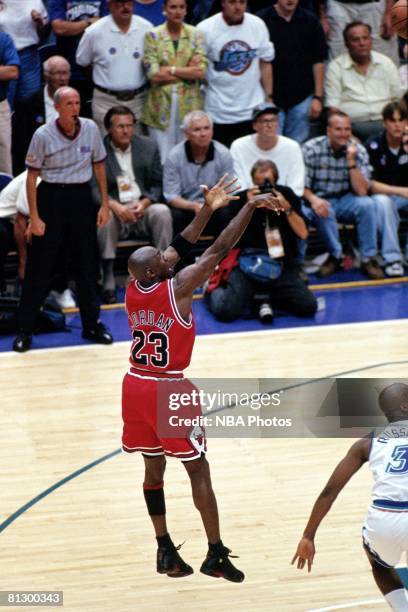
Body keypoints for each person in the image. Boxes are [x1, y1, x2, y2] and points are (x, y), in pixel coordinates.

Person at [122, 173, 283, 580]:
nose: (167, 256)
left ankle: (164, 550)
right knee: (198, 468)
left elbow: (177, 247)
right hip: (168, 388)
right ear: (156, 272)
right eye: (161, 260)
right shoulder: (177, 289)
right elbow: (219, 248)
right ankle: (215, 552)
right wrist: (249, 205)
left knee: (153, 471)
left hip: (134, 385)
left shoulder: (133, 287)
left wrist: (208, 209)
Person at [13, 86, 113, 352]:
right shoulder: (42, 134)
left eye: (78, 102)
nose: (75, 108)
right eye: (69, 103)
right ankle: (25, 329)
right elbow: (32, 177)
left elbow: (99, 166)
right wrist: (34, 217)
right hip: (51, 197)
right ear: (57, 107)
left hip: (81, 197)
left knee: (87, 264)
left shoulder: (90, 128)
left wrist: (104, 204)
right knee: (40, 266)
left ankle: (92, 324)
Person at [292, 382, 408, 612]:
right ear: (405, 406)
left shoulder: (367, 443)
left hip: (385, 518)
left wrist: (308, 535)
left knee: (379, 562)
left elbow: (329, 492)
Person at [207, 160, 317, 322]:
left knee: (308, 306)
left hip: (279, 263)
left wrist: (286, 208)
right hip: (246, 264)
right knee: (225, 311)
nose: (264, 191)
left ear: (275, 182)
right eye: (259, 185)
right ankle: (212, 290)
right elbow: (225, 240)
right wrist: (248, 207)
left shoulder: (286, 195)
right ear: (253, 182)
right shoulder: (242, 199)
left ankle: (259, 299)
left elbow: (303, 234)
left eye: (268, 185)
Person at [95, 105, 172, 304]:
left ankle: (163, 270)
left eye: (129, 126)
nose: (126, 130)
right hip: (115, 208)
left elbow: (157, 184)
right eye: (120, 126)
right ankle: (108, 275)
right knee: (105, 217)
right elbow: (93, 189)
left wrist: (145, 203)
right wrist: (113, 206)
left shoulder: (148, 146)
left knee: (162, 211)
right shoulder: (98, 150)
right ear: (109, 129)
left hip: (142, 208)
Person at [302, 110, 384, 279]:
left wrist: (351, 162)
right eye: (338, 129)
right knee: (324, 208)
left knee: (367, 205)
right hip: (319, 197)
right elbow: (300, 185)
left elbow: (362, 191)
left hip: (347, 198)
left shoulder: (358, 150)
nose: (344, 134)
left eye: (347, 129)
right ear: (328, 130)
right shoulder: (311, 149)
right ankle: (336, 256)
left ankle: (368, 258)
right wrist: (314, 199)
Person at [196, 0, 274, 148]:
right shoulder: (205, 29)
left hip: (251, 110)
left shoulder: (258, 25)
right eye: (232, 2)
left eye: (242, 2)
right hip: (218, 112)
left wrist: (268, 97)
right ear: (223, 3)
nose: (238, 7)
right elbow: (198, 67)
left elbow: (266, 62)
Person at [142, 0, 207, 163]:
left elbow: (200, 71)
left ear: (186, 10)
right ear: (164, 9)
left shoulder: (196, 34)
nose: (177, 11)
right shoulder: (153, 35)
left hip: (189, 104)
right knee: (162, 157)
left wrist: (170, 70)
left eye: (181, 7)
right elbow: (153, 74)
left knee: (188, 155)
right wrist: (186, 71)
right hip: (160, 106)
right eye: (173, 7)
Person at [75, 0, 152, 135]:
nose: (125, 7)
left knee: (138, 149)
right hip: (105, 102)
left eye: (128, 2)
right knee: (106, 150)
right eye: (119, 3)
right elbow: (83, 62)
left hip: (138, 101)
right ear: (109, 5)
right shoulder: (94, 32)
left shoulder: (146, 28)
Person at [257, 0, 328, 144]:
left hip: (301, 99)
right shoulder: (261, 20)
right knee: (271, 146)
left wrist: (318, 97)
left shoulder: (310, 20)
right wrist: (267, 98)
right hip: (270, 98)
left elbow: (318, 61)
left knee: (297, 148)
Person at [325, 22, 403, 142]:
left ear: (371, 40)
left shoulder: (386, 63)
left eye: (365, 38)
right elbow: (333, 109)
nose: (362, 43)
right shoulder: (336, 67)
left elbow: (398, 99)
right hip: (352, 128)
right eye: (355, 40)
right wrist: (345, 134)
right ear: (347, 44)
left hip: (386, 125)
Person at [163, 110, 235, 235]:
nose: (203, 134)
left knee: (227, 212)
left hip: (214, 206)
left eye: (206, 128)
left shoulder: (223, 154)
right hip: (186, 207)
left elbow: (227, 194)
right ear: (186, 134)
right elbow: (171, 196)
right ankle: (179, 254)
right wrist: (194, 206)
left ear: (212, 131)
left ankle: (224, 254)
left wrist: (209, 206)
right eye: (197, 130)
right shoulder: (174, 156)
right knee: (175, 215)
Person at [366, 101, 408, 275]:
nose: (397, 124)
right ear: (384, 123)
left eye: (401, 119)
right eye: (392, 120)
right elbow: (369, 184)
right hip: (381, 197)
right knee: (385, 204)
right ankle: (393, 259)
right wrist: (400, 191)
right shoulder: (373, 145)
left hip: (404, 196)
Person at [230, 103, 305, 197]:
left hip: (283, 200)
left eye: (273, 120)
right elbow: (237, 185)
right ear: (254, 125)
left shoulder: (292, 147)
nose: (269, 125)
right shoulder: (238, 146)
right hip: (248, 199)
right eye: (264, 121)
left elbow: (296, 188)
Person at [12, 55, 71, 175]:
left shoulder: (77, 101)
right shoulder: (28, 105)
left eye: (65, 73)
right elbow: (21, 145)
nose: (63, 78)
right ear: (46, 76)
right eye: (58, 73)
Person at [49, 0, 107, 109]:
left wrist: (73, 27)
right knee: (70, 110)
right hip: (70, 68)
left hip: (97, 68)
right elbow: (59, 28)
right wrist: (88, 23)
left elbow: (107, 25)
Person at [0, 0, 48, 106]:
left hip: (29, 54)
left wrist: (40, 22)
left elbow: (44, 31)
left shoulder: (34, 1)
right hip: (3, 57)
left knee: (31, 100)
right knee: (6, 101)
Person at [0, 31, 19, 175]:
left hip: (0, 106)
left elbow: (13, 72)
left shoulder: (3, 39)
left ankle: (4, 197)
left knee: (4, 161)